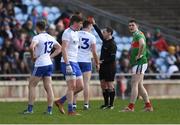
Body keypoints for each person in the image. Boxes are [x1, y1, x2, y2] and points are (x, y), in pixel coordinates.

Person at [23, 21, 61, 115]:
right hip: (49, 64)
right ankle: (49, 110)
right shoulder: (50, 37)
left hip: (40, 64)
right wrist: (50, 56)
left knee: (31, 85)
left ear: (37, 27)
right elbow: (59, 48)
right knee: (48, 87)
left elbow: (31, 47)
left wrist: (33, 57)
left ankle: (30, 109)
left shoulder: (37, 37)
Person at [121, 19, 153, 112]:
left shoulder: (138, 34)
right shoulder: (137, 34)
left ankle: (130, 107)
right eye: (129, 25)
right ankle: (148, 106)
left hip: (140, 62)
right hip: (140, 63)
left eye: (132, 25)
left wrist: (139, 55)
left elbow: (142, 44)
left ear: (137, 26)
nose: (130, 27)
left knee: (134, 83)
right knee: (139, 85)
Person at [54, 15, 84, 116]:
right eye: (80, 23)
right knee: (72, 86)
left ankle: (60, 101)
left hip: (75, 62)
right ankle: (70, 111)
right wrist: (67, 64)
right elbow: (64, 49)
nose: (81, 25)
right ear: (75, 23)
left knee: (80, 86)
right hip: (68, 62)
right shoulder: (67, 33)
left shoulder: (76, 33)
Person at [90, 17, 117, 109]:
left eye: (104, 32)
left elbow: (112, 58)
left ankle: (111, 104)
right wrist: (94, 24)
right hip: (103, 66)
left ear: (109, 33)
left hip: (110, 67)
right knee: (103, 84)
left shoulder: (112, 44)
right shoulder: (105, 41)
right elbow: (98, 33)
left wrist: (102, 61)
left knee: (110, 85)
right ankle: (106, 104)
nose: (103, 33)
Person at [73, 20, 99, 110]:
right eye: (91, 26)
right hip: (86, 61)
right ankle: (86, 104)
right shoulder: (92, 36)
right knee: (86, 84)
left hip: (76, 60)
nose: (92, 28)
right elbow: (94, 52)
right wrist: (97, 62)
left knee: (76, 83)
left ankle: (74, 104)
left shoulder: (76, 33)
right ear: (89, 26)